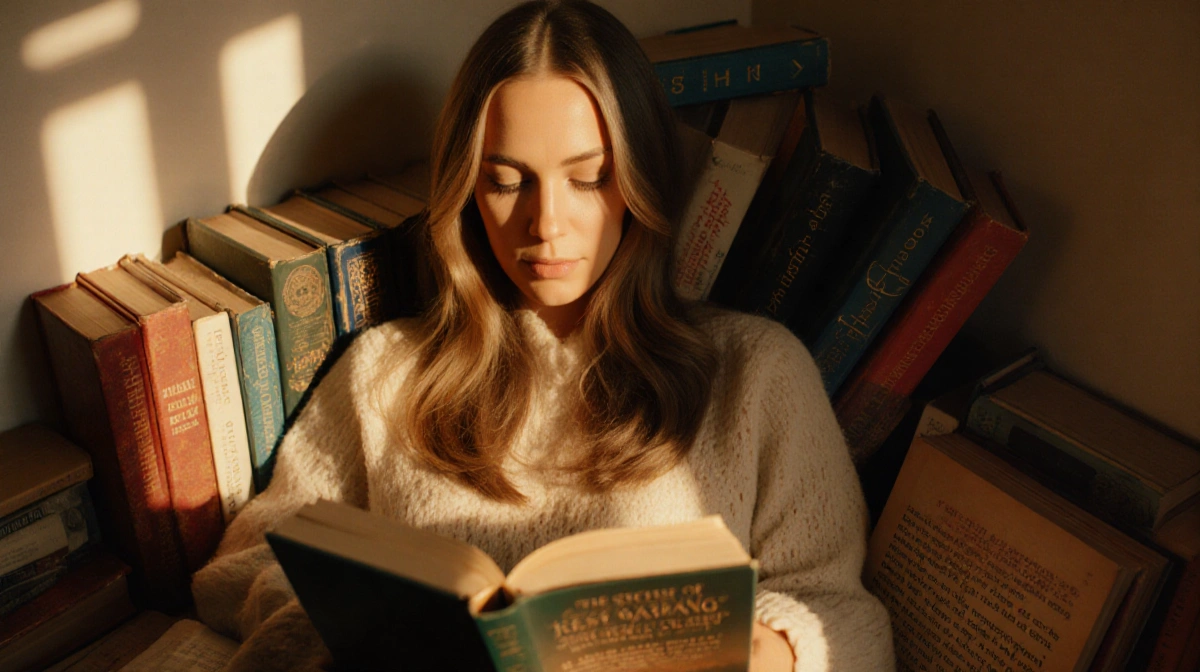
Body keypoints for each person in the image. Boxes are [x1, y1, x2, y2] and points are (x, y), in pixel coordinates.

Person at [191, 1, 895, 670]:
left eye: (588, 178)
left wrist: (758, 650)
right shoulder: (385, 373)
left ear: (639, 180)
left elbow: (847, 622)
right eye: (505, 182)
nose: (545, 224)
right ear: (467, 191)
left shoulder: (759, 373)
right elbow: (247, 565)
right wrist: (341, 630)